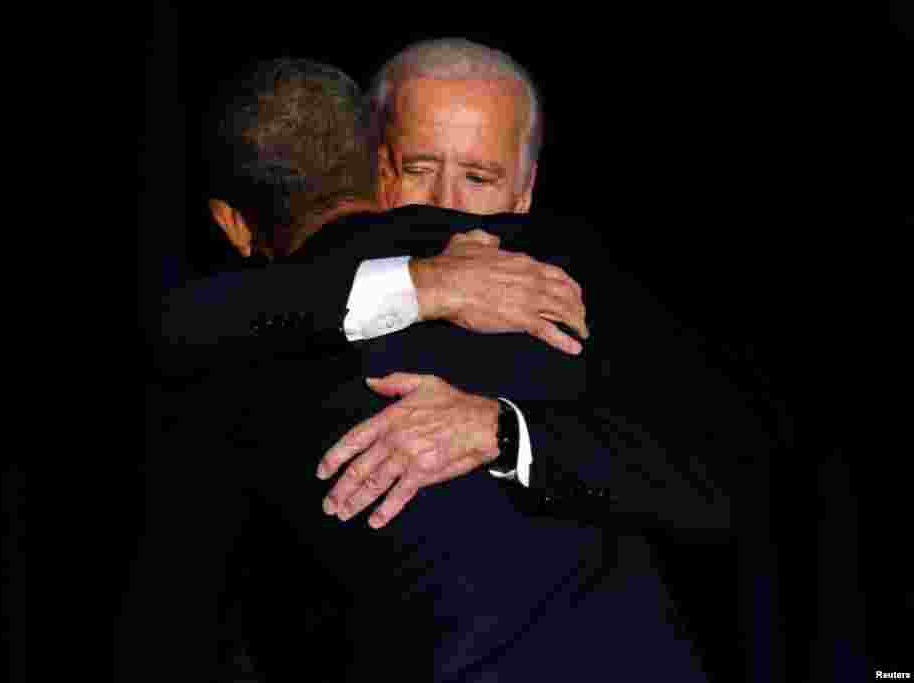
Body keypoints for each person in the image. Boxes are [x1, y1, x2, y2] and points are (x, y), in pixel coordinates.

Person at [133, 54, 742, 681]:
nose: (451, 200)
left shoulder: (227, 361)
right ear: (385, 168)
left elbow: (716, 481)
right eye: (425, 168)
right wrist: (422, 286)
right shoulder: (553, 271)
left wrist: (502, 433)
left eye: (479, 175)